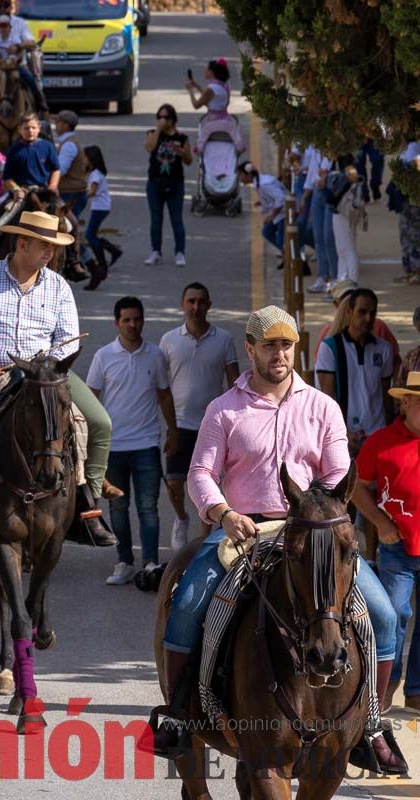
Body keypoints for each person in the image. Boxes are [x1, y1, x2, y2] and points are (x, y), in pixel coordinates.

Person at [150, 305, 407, 775]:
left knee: (384, 616)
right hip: (244, 528)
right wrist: (223, 513)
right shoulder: (223, 409)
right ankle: (182, 714)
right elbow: (201, 473)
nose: (279, 354)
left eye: (286, 345)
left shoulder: (321, 407)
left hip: (311, 533)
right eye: (269, 345)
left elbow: (336, 474)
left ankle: (370, 723)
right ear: (250, 349)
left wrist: (323, 513)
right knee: (187, 602)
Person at [0, 210, 117, 552]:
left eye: (53, 247)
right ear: (22, 243)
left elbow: (69, 339)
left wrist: (47, 365)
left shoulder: (58, 286)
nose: (50, 253)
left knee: (99, 422)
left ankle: (88, 506)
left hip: (43, 375)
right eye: (43, 245)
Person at [88, 297, 178, 585]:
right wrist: (90, 441)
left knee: (148, 507)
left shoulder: (155, 355)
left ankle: (150, 562)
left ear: (143, 321)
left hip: (147, 445)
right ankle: (124, 562)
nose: (132, 325)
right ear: (117, 323)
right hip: (113, 448)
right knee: (117, 508)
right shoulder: (103, 356)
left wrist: (173, 431)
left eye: (137, 319)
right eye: (126, 320)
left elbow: (164, 394)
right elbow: (91, 398)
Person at [353, 372, 420, 714]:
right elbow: (355, 486)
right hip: (397, 547)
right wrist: (380, 523)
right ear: (405, 402)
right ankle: (385, 686)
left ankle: (417, 691)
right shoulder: (380, 442)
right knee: (393, 614)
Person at [158, 283, 239, 552]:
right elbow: (162, 385)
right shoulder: (169, 340)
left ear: (209, 305)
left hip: (213, 426)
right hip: (180, 425)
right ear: (182, 304)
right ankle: (181, 518)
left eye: (201, 301)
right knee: (174, 483)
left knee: (211, 484)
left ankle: (203, 542)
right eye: (191, 301)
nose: (196, 307)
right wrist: (169, 428)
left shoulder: (224, 339)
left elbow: (234, 382)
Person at [316, 288, 394, 453]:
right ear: (350, 312)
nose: (368, 318)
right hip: (344, 437)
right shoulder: (330, 348)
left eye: (373, 313)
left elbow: (387, 395)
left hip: (377, 435)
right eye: (362, 312)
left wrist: (389, 432)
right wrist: (342, 433)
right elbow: (328, 398)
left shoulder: (384, 349)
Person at [144, 104, 191, 267]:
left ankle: (180, 252)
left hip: (175, 184)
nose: (162, 121)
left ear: (173, 119)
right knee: (156, 219)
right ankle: (155, 251)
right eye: (159, 117)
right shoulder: (152, 134)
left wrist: (181, 152)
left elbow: (189, 161)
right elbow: (149, 148)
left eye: (166, 118)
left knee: (176, 219)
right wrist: (158, 129)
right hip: (155, 183)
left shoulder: (182, 138)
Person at [316, 280, 400, 371]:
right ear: (336, 303)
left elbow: (395, 358)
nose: (349, 299)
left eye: (353, 295)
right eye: (344, 297)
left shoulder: (379, 326)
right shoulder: (328, 336)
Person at [82, 144, 122, 291]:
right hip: (101, 206)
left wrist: (80, 197)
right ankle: (113, 251)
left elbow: (92, 191)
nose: (83, 161)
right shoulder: (95, 172)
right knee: (92, 235)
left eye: (85, 158)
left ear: (91, 159)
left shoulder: (95, 174)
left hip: (100, 207)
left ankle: (101, 262)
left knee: (89, 236)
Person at [184, 58, 244, 155]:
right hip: (226, 119)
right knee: (235, 134)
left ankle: (198, 149)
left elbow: (196, 105)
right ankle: (240, 147)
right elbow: (208, 96)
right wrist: (196, 85)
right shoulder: (224, 86)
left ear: (211, 72)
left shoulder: (211, 89)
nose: (204, 71)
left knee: (202, 136)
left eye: (206, 69)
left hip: (212, 121)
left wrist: (190, 90)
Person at [327, 156, 368, 284]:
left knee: (348, 249)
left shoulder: (349, 173)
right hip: (345, 213)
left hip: (345, 214)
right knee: (342, 250)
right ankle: (342, 281)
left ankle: (352, 282)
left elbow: (335, 196)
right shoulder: (352, 172)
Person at [236, 162, 286, 270]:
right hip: (280, 212)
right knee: (267, 232)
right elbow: (272, 196)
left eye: (240, 175)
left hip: (284, 213)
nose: (239, 178)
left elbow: (281, 198)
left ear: (249, 175)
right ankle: (285, 253)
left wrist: (271, 216)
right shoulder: (260, 182)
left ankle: (294, 260)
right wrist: (262, 202)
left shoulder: (264, 185)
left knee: (282, 240)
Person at [304, 148, 337, 294]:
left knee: (329, 237)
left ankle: (335, 277)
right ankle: (322, 277)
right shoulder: (317, 151)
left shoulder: (336, 150)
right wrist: (304, 197)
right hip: (317, 193)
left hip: (331, 193)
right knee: (318, 237)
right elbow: (312, 174)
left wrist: (327, 177)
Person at [2, 113, 61, 192]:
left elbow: (56, 169)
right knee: (2, 204)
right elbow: (7, 177)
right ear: (19, 129)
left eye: (33, 128)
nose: (30, 131)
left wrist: (53, 185)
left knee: (62, 204)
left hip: (44, 190)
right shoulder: (14, 150)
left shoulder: (48, 146)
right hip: (22, 191)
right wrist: (16, 189)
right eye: (26, 128)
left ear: (39, 128)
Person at [395, 138, 420, 285]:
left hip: (413, 201)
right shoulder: (408, 147)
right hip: (406, 201)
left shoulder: (413, 146)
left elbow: (416, 163)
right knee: (405, 234)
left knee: (414, 235)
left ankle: (416, 271)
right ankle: (410, 270)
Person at [356, 138, 385, 202]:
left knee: (378, 161)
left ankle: (371, 187)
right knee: (359, 165)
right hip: (359, 135)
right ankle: (365, 190)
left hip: (369, 134)